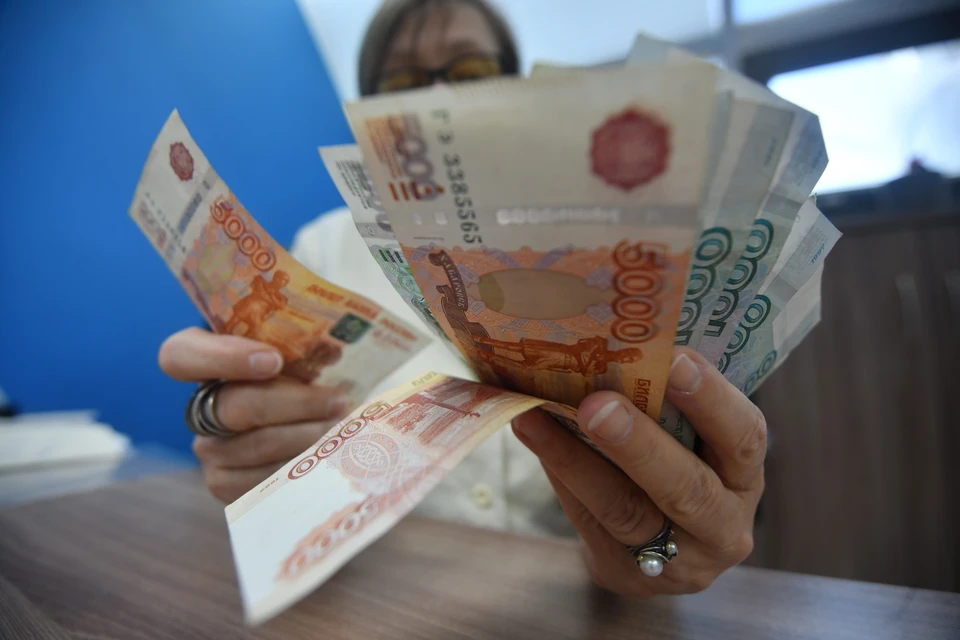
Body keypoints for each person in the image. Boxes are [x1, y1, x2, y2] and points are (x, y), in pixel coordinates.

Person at [159, 0, 765, 598]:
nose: (437, 97)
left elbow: (694, 478)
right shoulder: (321, 249)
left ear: (515, 88)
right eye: (401, 84)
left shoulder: (620, 244)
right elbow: (278, 445)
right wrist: (236, 429)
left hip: (577, 606)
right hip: (380, 602)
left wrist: (663, 545)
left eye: (471, 71)